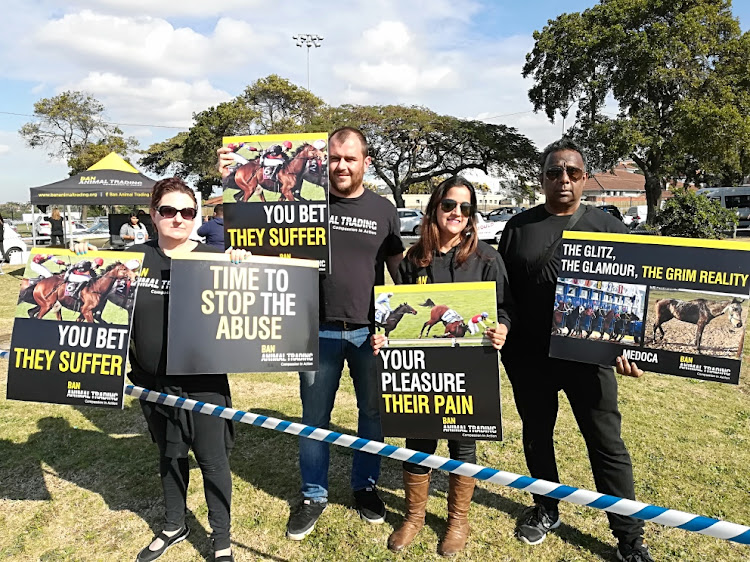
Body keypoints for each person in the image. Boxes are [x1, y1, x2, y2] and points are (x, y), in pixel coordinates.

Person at [219, 127, 404, 540]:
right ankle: (313, 494)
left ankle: (365, 486)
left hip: (368, 332)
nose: (340, 165)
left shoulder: (383, 208)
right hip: (314, 328)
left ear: (365, 162)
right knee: (314, 418)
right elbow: (261, 242)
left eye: (349, 158)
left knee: (372, 414)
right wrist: (231, 182)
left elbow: (399, 270)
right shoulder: (306, 201)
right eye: (334, 157)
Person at [497, 138, 653, 562]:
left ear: (585, 178)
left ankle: (629, 538)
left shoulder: (609, 228)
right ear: (542, 178)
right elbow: (504, 296)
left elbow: (632, 299)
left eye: (572, 173)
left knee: (607, 445)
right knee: (536, 435)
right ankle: (547, 509)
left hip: (590, 359)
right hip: (530, 359)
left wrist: (628, 347)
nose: (563, 180)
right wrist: (502, 328)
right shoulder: (518, 228)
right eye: (553, 172)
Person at [75, 177, 237, 562]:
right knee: (169, 454)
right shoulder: (132, 260)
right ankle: (173, 525)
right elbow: (94, 296)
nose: (178, 219)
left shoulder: (216, 257)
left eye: (187, 212)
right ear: (153, 214)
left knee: (213, 460)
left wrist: (242, 266)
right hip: (151, 381)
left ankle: (222, 538)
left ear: (196, 216)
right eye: (168, 211)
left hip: (203, 380)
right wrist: (78, 257)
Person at [371, 176, 512, 557]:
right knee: (418, 441)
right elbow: (395, 312)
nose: (457, 214)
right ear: (434, 208)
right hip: (422, 372)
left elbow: (505, 311)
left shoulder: (488, 259)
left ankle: (457, 521)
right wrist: (385, 338)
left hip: (469, 371)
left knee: (462, 445)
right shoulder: (413, 260)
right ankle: (415, 517)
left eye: (466, 208)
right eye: (449, 205)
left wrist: (503, 329)